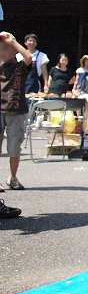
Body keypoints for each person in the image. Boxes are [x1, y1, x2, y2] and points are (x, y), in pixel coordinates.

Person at [0, 32, 32, 192]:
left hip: (17, 111)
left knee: (14, 147)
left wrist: (13, 41)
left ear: (14, 51)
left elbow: (28, 57)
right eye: (0, 49)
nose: (2, 52)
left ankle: (12, 177)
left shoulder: (20, 66)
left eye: (6, 49)